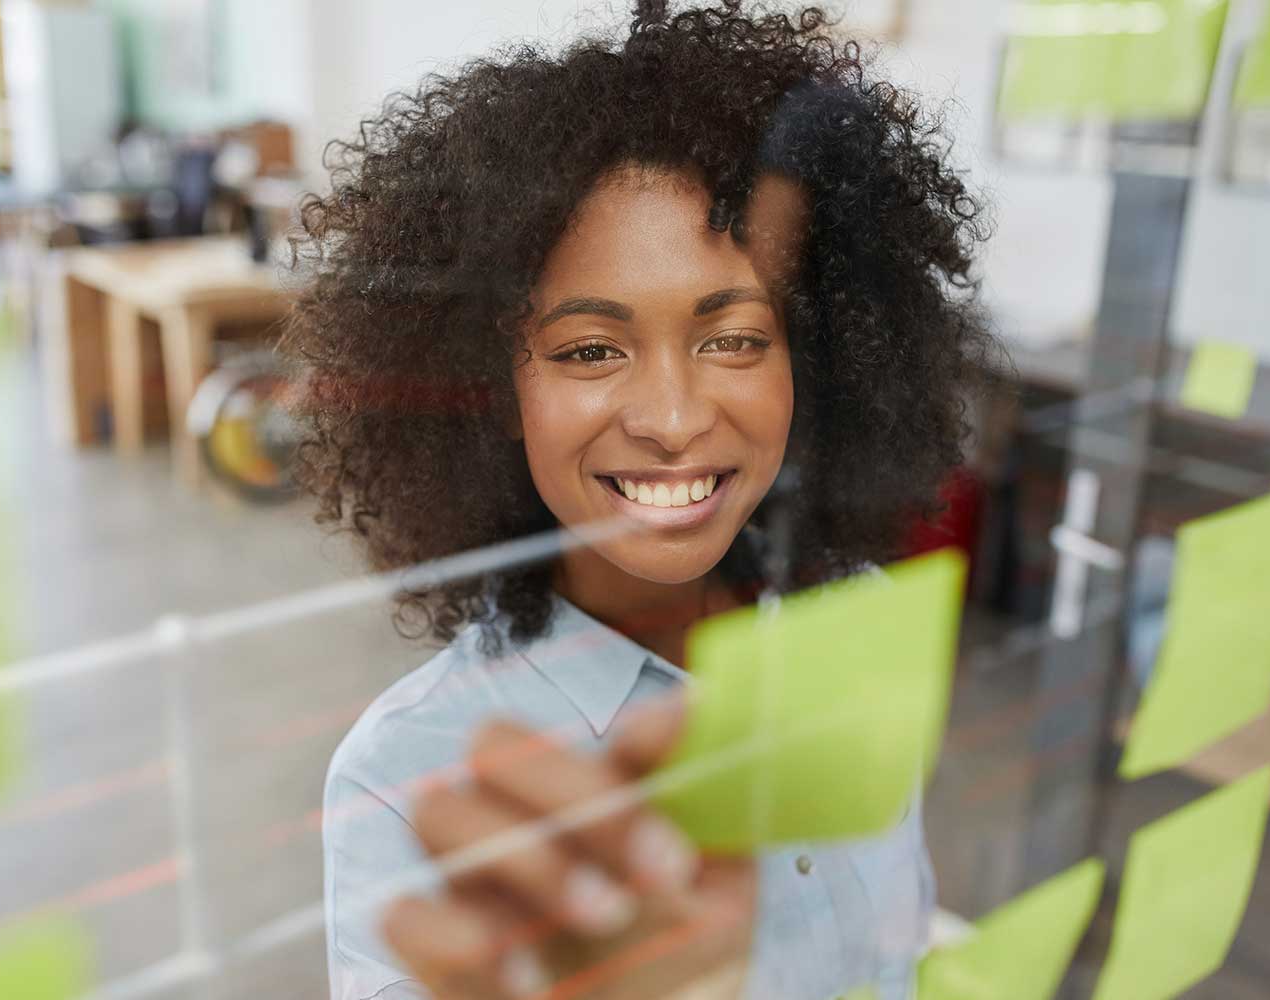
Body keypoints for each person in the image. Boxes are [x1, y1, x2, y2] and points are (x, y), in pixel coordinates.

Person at [283, 2, 995, 997]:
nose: (671, 416)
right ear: (492, 390)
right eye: (590, 350)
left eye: (735, 338)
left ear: (816, 362)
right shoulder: (409, 773)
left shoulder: (860, 622)